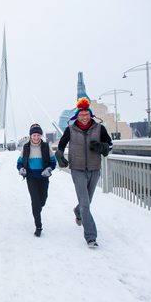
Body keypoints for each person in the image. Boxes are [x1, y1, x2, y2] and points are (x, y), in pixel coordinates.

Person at [55, 97, 113, 248]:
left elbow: (110, 145)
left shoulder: (100, 129)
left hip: (94, 168)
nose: (84, 117)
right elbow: (60, 145)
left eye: (87, 114)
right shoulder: (70, 130)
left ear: (91, 115)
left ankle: (77, 211)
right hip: (77, 169)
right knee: (86, 203)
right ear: (77, 116)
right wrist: (60, 155)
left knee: (86, 202)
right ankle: (91, 237)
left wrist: (101, 147)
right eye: (81, 115)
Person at [17, 124, 57, 237]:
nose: (36, 137)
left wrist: (49, 169)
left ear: (41, 136)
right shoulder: (26, 147)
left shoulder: (45, 147)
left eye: (38, 135)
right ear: (30, 136)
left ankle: (38, 208)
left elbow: (53, 162)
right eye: (34, 135)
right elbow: (19, 163)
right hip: (31, 177)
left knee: (42, 200)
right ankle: (38, 226)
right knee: (35, 201)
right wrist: (21, 169)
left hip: (43, 177)